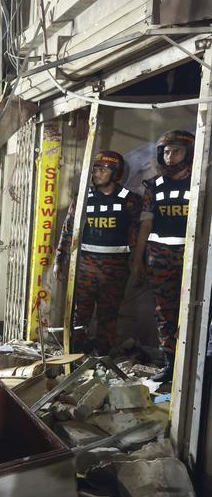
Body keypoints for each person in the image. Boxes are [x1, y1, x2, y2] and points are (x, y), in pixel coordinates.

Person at [55, 151, 141, 355]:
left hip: (116, 270)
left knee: (108, 316)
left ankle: (103, 355)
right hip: (85, 268)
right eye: (95, 169)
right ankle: (75, 353)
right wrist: (60, 259)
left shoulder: (130, 201)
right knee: (79, 314)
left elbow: (138, 238)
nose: (96, 173)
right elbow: (68, 230)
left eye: (102, 169)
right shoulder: (83, 198)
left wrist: (139, 266)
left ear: (116, 173)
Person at [132, 130, 196, 382]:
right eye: (166, 152)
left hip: (192, 258)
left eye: (177, 151)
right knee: (165, 312)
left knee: (193, 311)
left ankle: (192, 363)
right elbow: (145, 226)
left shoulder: (200, 182)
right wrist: (137, 260)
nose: (170, 157)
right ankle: (170, 365)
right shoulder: (154, 185)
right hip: (160, 259)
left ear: (188, 153)